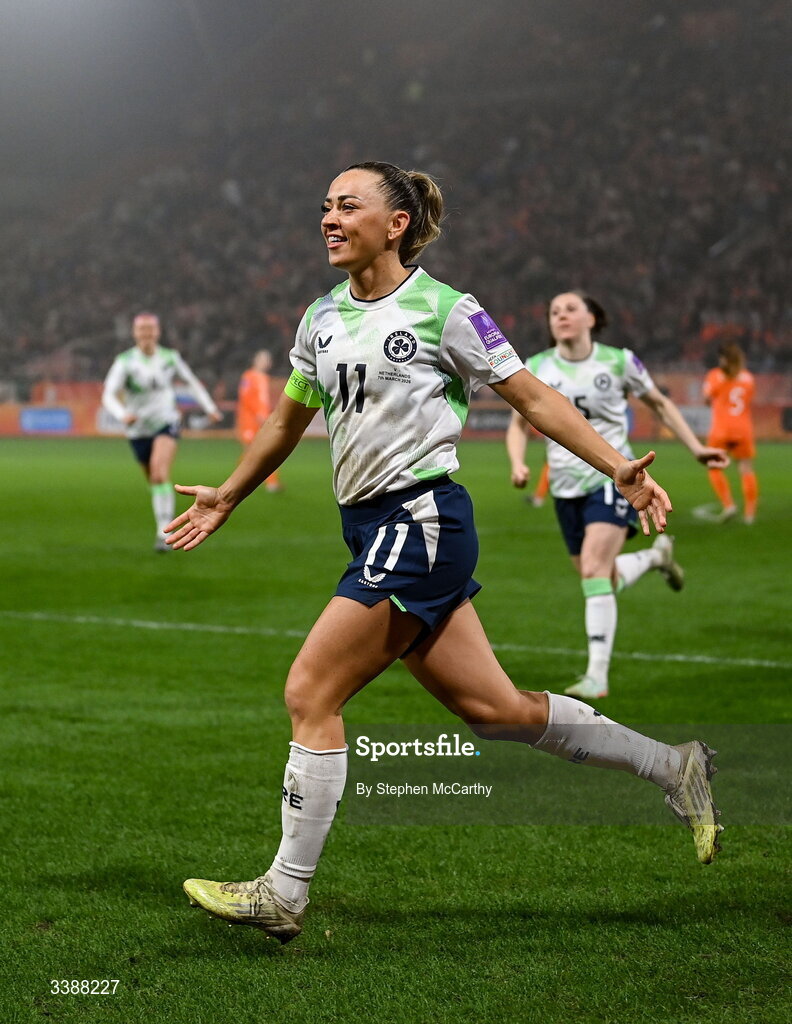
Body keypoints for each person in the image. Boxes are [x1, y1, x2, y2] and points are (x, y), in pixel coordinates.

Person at [166, 163, 722, 945]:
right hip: (373, 529)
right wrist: (229, 491)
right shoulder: (319, 317)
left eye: (347, 205)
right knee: (497, 712)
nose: (328, 217)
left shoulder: (446, 310)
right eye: (324, 205)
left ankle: (283, 894)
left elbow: (532, 396)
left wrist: (616, 466)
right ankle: (677, 768)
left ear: (396, 224)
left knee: (310, 691)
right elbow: (290, 421)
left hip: (421, 521)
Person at [506, 291, 729, 701]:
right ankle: (654, 557)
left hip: (613, 479)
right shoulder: (535, 368)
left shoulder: (619, 361)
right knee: (600, 577)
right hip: (565, 487)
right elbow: (518, 424)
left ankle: (596, 676)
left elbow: (658, 404)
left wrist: (697, 448)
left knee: (593, 568)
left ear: (592, 318)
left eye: (570, 309)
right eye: (554, 311)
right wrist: (518, 462)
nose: (561, 316)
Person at [102, 312, 223, 551]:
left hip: (166, 422)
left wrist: (210, 407)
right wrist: (122, 415)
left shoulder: (170, 357)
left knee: (159, 473)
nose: (146, 334)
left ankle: (162, 533)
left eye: (150, 329)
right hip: (137, 429)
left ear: (157, 332)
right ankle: (163, 516)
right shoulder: (125, 361)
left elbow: (191, 381)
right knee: (155, 481)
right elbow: (108, 394)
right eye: (142, 329)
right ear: (135, 333)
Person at [701, 342, 758, 524]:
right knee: (746, 469)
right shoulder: (748, 378)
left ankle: (729, 505)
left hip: (721, 429)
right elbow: (748, 400)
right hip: (743, 428)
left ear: (724, 359)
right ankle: (749, 514)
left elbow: (706, 399)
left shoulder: (715, 376)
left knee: (714, 466)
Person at [237, 349, 283, 492]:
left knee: (266, 450)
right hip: (250, 421)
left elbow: (264, 401)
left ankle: (270, 482)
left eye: (267, 359)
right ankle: (240, 481)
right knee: (253, 452)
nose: (266, 362)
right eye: (263, 359)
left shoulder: (264, 378)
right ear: (255, 360)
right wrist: (258, 414)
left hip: (262, 420)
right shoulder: (248, 376)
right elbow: (245, 398)